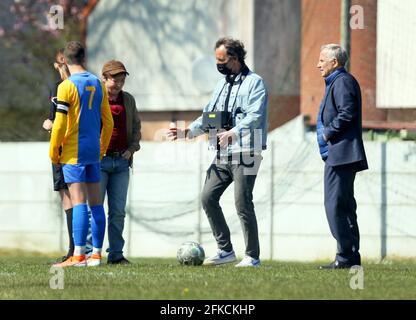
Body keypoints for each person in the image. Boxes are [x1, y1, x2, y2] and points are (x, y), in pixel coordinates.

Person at [167, 37, 268, 267]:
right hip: (223, 152)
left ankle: (252, 256)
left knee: (242, 202)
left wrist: (234, 132)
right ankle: (225, 251)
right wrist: (187, 133)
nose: (218, 64)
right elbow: (208, 116)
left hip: (247, 151)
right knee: (207, 197)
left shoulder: (255, 83)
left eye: (221, 59)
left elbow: (256, 116)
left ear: (234, 58)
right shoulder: (221, 85)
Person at [49, 41, 114, 267]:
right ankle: (96, 254)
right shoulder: (97, 82)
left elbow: (59, 124)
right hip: (93, 152)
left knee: (78, 203)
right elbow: (109, 120)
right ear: (84, 58)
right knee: (97, 204)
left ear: (65, 60)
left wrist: (53, 150)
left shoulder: (65, 86)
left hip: (73, 152)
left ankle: (78, 256)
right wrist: (102, 147)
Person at [316, 44, 368, 269]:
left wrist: (327, 133)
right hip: (341, 155)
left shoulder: (343, 81)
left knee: (334, 205)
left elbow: (348, 112)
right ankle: (349, 257)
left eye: (321, 60)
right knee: (344, 206)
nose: (317, 65)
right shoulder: (336, 82)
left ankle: (346, 256)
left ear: (334, 62)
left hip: (342, 154)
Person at [100, 60, 142, 264]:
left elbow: (136, 127)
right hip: (99, 162)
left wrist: (131, 150)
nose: (119, 83)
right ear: (104, 78)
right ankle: (92, 253)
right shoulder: (95, 99)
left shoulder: (128, 100)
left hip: (121, 163)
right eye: (115, 79)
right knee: (95, 209)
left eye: (122, 79)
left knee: (117, 212)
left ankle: (116, 255)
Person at [42, 49, 74, 262]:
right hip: (59, 149)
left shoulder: (78, 86)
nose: (63, 67)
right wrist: (49, 122)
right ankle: (74, 250)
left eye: (66, 63)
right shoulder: (56, 88)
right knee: (67, 198)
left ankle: (81, 251)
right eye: (61, 64)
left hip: (74, 150)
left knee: (80, 198)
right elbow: (55, 118)